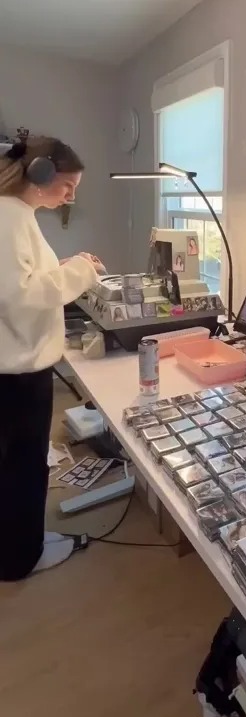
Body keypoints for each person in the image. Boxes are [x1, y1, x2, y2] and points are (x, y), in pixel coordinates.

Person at [0, 137, 105, 581]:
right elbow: (18, 297)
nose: (71, 196)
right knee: (22, 473)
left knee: (18, 469)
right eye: (67, 185)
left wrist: (62, 266)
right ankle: (20, 559)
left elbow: (21, 279)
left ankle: (18, 547)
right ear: (40, 174)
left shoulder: (17, 216)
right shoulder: (7, 217)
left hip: (16, 372)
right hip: (17, 377)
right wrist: (79, 270)